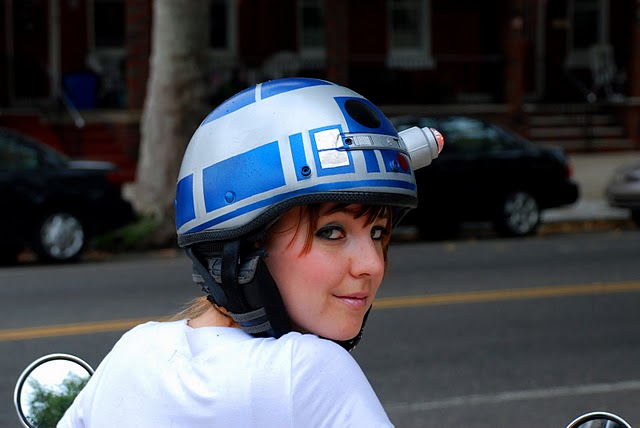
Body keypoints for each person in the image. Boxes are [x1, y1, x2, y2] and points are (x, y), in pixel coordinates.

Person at [58, 77, 443, 427]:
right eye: (331, 232)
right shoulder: (307, 372)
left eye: (377, 233)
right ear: (243, 246)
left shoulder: (133, 352)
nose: (372, 264)